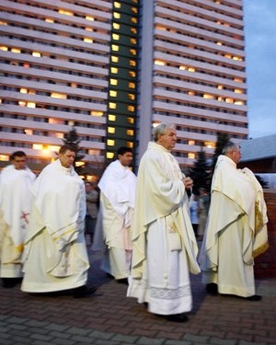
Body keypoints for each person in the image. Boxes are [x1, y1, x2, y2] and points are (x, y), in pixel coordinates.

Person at [127, 123, 200, 323]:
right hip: (160, 218)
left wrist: (186, 187)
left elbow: (172, 186)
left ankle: (152, 298)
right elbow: (158, 190)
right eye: (172, 135)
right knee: (165, 263)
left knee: (166, 261)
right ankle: (165, 307)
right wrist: (180, 185)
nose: (175, 138)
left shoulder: (168, 157)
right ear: (160, 137)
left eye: (176, 135)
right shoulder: (152, 157)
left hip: (171, 214)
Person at [21, 145, 95, 297]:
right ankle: (39, 287)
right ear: (60, 155)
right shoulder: (49, 173)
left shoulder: (73, 176)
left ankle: (79, 287)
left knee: (77, 256)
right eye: (68, 156)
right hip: (50, 223)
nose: (71, 159)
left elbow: (78, 198)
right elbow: (45, 196)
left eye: (73, 157)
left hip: (72, 223)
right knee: (45, 257)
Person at [199, 141, 269, 301]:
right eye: (239, 152)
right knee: (234, 252)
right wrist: (249, 178)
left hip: (229, 219)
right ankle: (239, 288)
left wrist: (246, 175)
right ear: (231, 153)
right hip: (230, 220)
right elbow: (244, 190)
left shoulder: (227, 169)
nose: (241, 155)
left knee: (226, 253)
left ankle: (221, 284)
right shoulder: (225, 168)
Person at [93, 147, 137, 283]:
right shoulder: (112, 171)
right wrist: (124, 203)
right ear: (119, 156)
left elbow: (136, 188)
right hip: (115, 214)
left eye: (131, 156)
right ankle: (121, 274)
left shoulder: (129, 173)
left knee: (126, 245)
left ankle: (110, 269)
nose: (130, 158)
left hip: (127, 214)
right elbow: (109, 190)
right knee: (116, 244)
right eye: (127, 155)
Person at [0, 151, 36, 288]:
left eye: (23, 161)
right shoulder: (5, 177)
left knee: (26, 243)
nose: (21, 163)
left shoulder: (30, 175)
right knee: (8, 245)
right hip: (8, 215)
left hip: (26, 215)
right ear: (12, 161)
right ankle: (7, 276)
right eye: (18, 161)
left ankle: (20, 274)